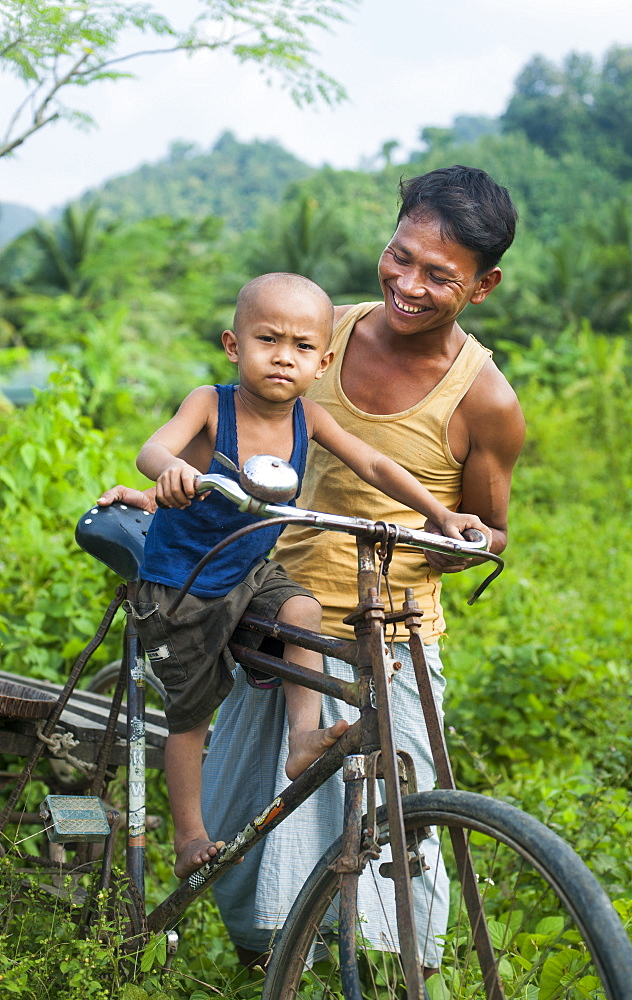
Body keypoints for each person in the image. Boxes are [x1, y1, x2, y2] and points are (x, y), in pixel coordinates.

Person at [99, 165, 525, 970]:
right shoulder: (319, 330)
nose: (407, 282)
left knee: (400, 826)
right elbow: (220, 439)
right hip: (260, 607)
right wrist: (159, 488)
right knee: (242, 827)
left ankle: (397, 973)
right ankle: (268, 960)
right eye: (399, 256)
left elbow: (490, 530)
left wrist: (454, 533)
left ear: (484, 285)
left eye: (439, 275)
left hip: (382, 624)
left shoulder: (485, 399)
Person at [125, 270, 490, 881]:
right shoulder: (209, 404)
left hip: (249, 570)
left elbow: (373, 460)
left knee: (303, 611)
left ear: (321, 363)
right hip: (182, 583)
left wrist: (439, 512)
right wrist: (171, 472)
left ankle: (302, 739)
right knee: (190, 714)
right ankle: (189, 835)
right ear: (234, 345)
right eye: (268, 341)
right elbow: (153, 450)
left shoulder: (309, 420)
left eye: (300, 348)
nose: (282, 359)